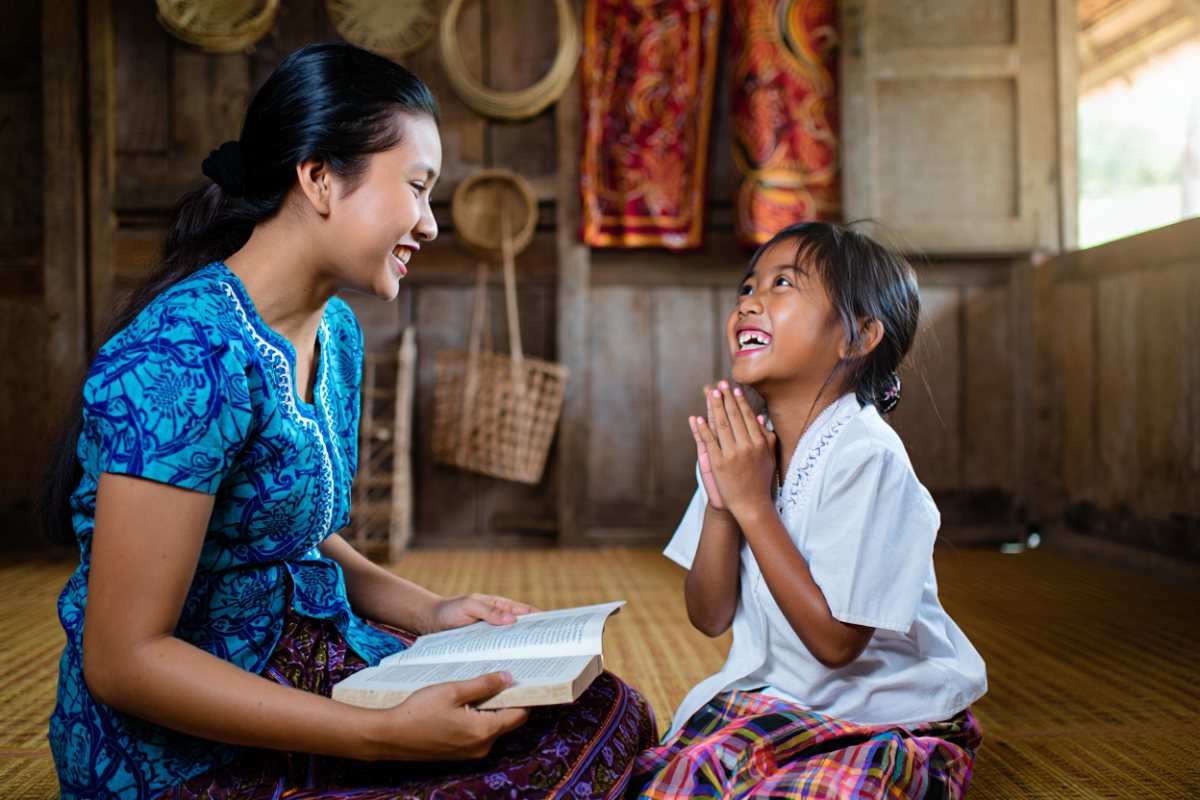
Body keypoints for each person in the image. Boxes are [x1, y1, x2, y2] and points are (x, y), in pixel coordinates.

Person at [39, 42, 654, 799]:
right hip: (186, 748)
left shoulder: (337, 331)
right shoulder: (179, 359)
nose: (429, 225)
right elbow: (125, 660)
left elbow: (292, 529)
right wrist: (377, 736)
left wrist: (431, 612)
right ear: (320, 177)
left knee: (603, 711)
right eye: (419, 188)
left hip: (306, 657)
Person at [630, 222, 987, 799]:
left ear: (857, 336)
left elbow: (837, 643)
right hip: (777, 699)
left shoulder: (866, 456)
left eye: (782, 284)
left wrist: (752, 505)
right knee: (667, 783)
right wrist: (724, 507)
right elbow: (709, 615)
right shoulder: (747, 448)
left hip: (884, 715)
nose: (750, 301)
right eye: (748, 287)